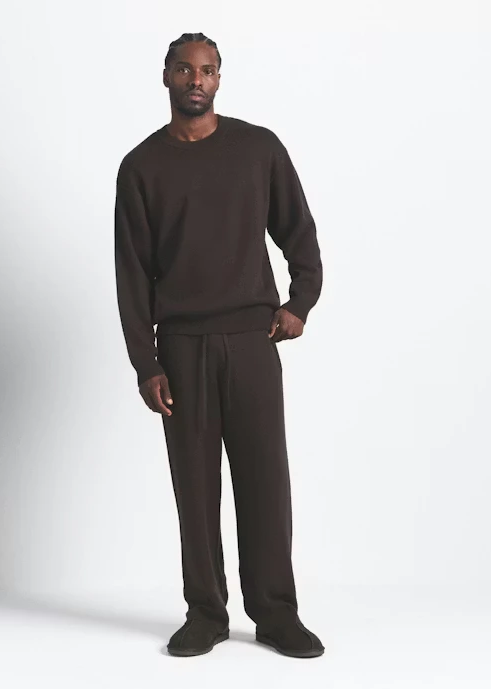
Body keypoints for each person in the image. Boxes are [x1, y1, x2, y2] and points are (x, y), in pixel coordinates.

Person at [113, 32, 324, 658]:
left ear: (219, 79)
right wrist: (146, 363)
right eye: (184, 69)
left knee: (265, 481)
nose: (196, 80)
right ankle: (205, 612)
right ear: (166, 76)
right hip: (181, 346)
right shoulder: (141, 167)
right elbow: (132, 276)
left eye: (207, 70)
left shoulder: (258, 149)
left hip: (252, 340)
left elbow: (299, 231)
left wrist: (299, 302)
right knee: (196, 487)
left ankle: (276, 613)